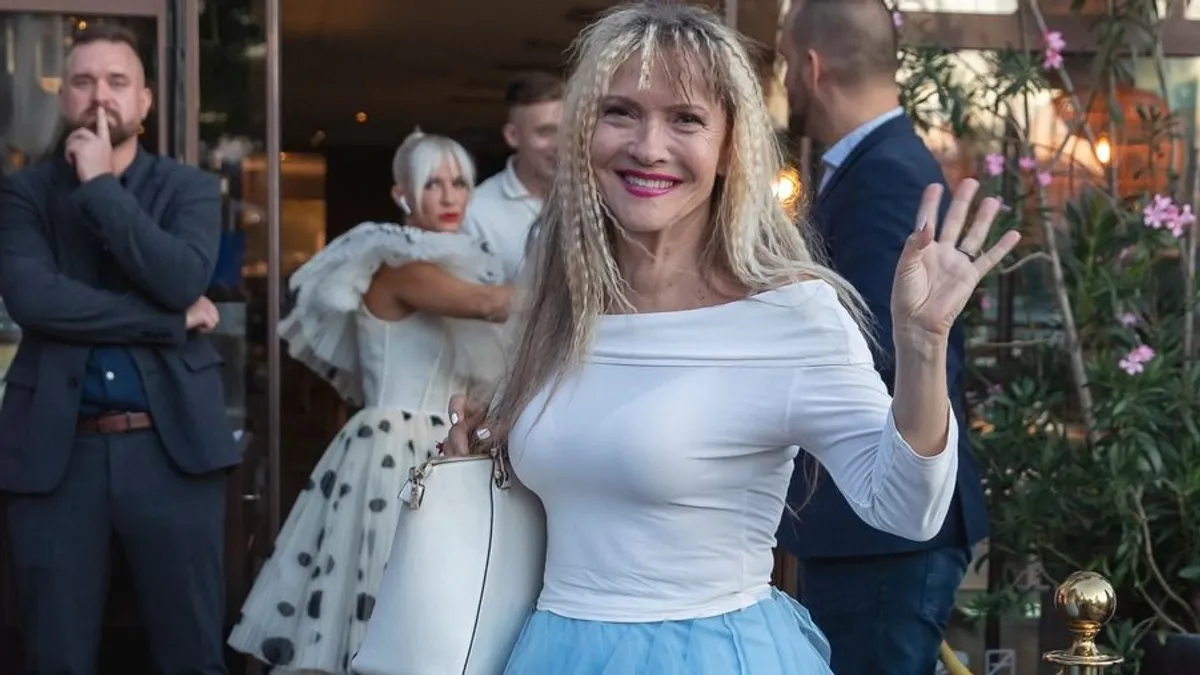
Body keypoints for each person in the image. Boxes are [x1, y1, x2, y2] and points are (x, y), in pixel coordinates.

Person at [438, 3, 1019, 673]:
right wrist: (490, 449)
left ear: (729, 148)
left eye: (685, 119)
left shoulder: (791, 312)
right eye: (620, 112)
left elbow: (906, 508)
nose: (648, 146)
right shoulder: (563, 300)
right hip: (553, 647)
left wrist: (921, 347)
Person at [226, 130, 514, 674]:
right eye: (432, 184)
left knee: (435, 608)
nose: (449, 196)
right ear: (402, 194)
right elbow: (491, 305)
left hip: (449, 452)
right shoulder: (397, 268)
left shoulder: (462, 265)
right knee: (388, 604)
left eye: (459, 183)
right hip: (393, 451)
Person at [0, 23, 238, 674]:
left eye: (116, 81)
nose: (99, 95)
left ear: (145, 100)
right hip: (57, 453)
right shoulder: (24, 192)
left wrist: (102, 186)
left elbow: (181, 278)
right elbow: (36, 302)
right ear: (63, 98)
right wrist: (165, 322)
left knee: (191, 654)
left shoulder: (188, 188)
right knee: (54, 655)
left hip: (173, 452)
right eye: (82, 81)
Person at [775, 2, 989, 673]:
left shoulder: (885, 174)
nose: (783, 82)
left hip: (880, 528)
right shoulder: (871, 163)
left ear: (811, 67)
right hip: (867, 526)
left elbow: (876, 344)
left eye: (784, 64)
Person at [461, 71, 563, 281]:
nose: (560, 144)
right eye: (545, 132)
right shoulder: (476, 213)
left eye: (568, 130)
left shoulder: (603, 197)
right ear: (513, 136)